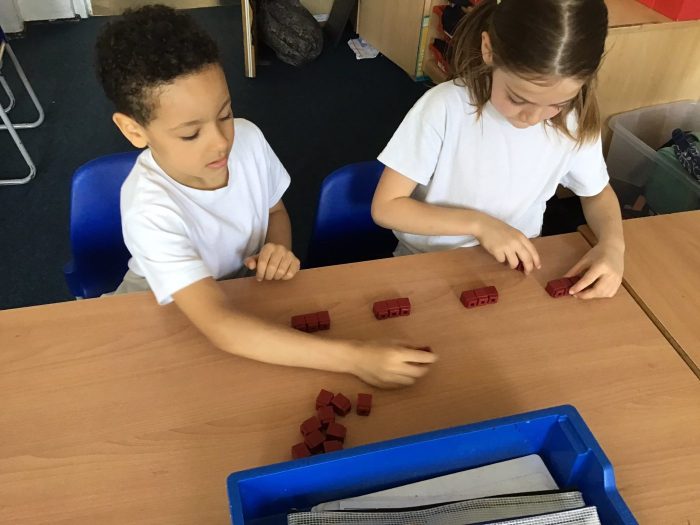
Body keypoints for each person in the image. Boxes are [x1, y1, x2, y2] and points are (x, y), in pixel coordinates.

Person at [95, 5, 435, 387]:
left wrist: (278, 249)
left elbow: (275, 212)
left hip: (237, 293)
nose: (221, 142)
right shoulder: (148, 209)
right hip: (160, 309)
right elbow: (220, 327)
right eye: (191, 134)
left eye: (225, 114)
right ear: (134, 131)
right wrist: (356, 357)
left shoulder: (249, 139)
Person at [371, 0, 624, 299]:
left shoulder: (572, 121)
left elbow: (597, 193)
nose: (532, 117)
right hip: (427, 264)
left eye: (558, 103)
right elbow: (386, 207)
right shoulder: (444, 108)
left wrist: (612, 246)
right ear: (488, 50)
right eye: (518, 99)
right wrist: (480, 225)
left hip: (515, 267)